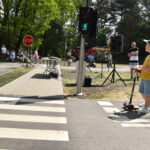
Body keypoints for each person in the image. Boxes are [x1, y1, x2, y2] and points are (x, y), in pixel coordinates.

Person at [135, 41, 150, 113]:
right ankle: (147, 103)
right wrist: (139, 66)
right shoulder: (148, 56)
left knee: (147, 94)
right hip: (144, 77)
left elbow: (149, 69)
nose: (145, 46)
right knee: (142, 91)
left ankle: (146, 107)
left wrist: (139, 70)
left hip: (148, 79)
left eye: (147, 45)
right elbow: (145, 66)